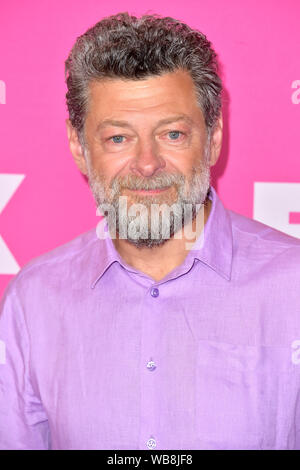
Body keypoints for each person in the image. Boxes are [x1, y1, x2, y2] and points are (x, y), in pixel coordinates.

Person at [1, 12, 300, 451]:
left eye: (173, 134)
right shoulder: (35, 300)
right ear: (79, 147)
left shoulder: (293, 286)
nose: (146, 163)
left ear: (214, 137)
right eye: (118, 138)